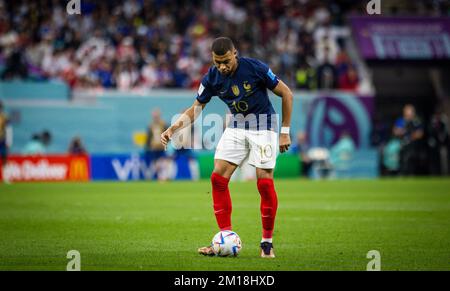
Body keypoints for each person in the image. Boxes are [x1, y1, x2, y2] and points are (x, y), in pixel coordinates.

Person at [161, 37, 293, 258]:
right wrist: (172, 129)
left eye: (226, 61)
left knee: (264, 183)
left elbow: (286, 94)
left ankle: (267, 244)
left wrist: (285, 132)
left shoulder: (255, 68)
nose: (222, 66)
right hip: (237, 125)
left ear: (235, 54)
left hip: (264, 125)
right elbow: (196, 108)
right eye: (217, 62)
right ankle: (225, 238)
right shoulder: (211, 77)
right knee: (217, 178)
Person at [393, 104, 424, 175]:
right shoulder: (400, 121)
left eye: (410, 111)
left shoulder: (416, 121)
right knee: (402, 161)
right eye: (407, 111)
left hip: (414, 146)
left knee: (412, 161)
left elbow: (420, 133)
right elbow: (395, 131)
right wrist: (401, 131)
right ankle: (402, 174)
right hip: (402, 145)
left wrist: (411, 137)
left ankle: (412, 175)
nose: (409, 113)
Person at [0, 101, 10, 183]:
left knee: (4, 159)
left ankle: (6, 178)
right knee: (4, 160)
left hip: (2, 140)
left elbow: (8, 129)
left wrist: (8, 141)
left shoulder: (4, 117)